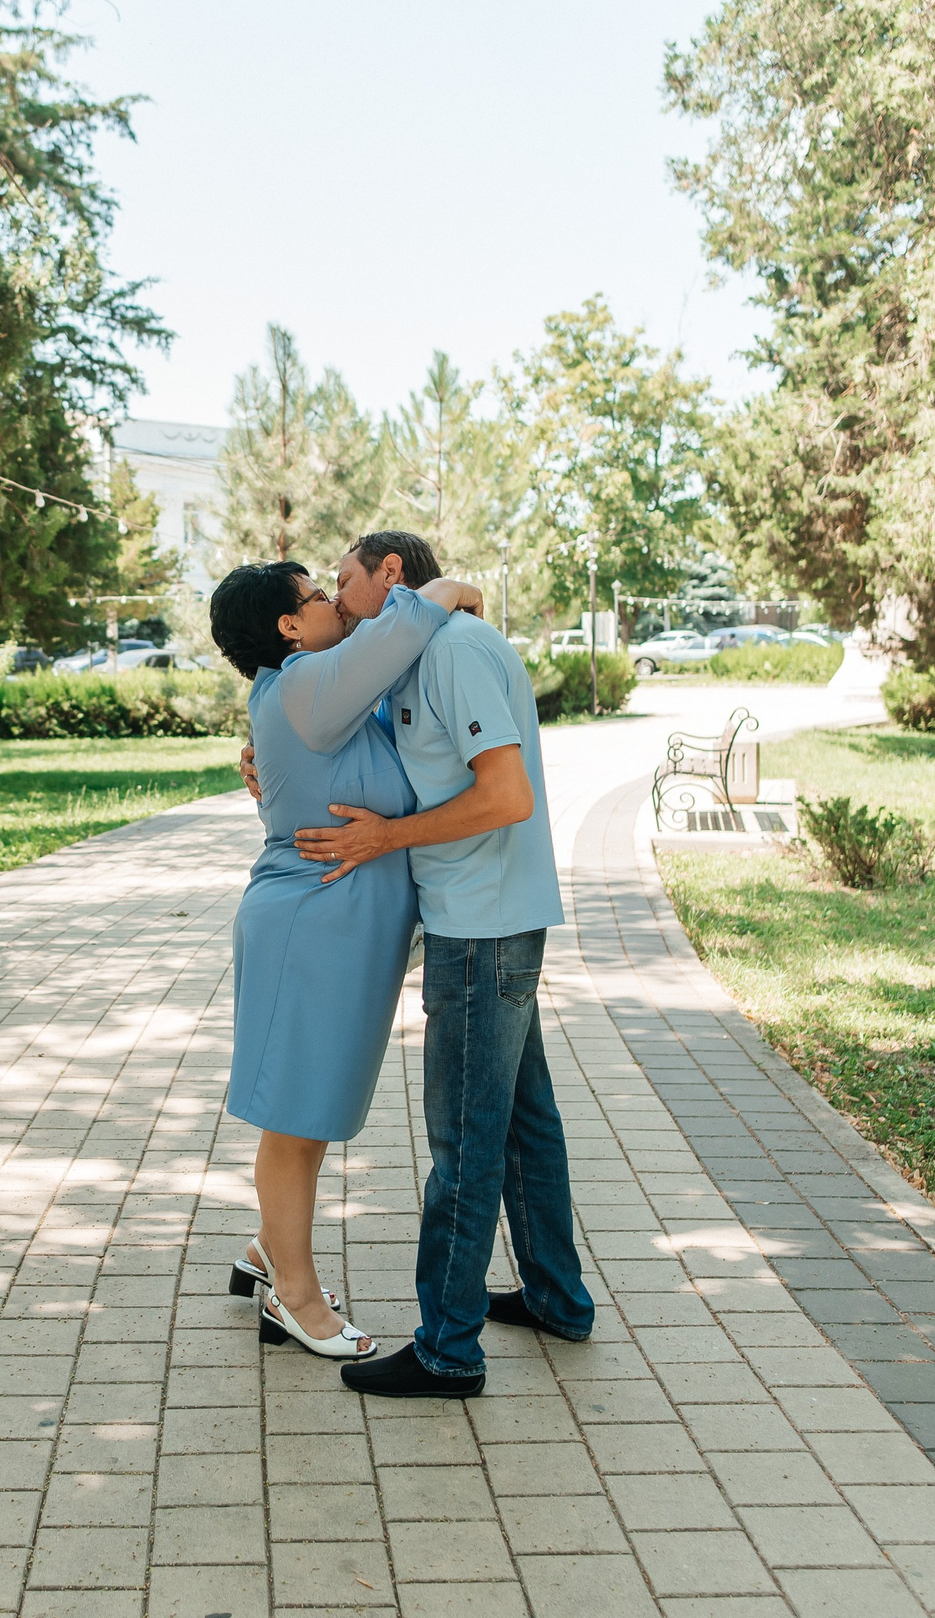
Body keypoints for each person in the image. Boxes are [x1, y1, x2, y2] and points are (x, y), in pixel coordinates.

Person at [276, 529, 594, 1399]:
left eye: (342, 580)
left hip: (484, 930)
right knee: (526, 1121)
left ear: (389, 576)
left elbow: (507, 795)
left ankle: (448, 1347)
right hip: (477, 922)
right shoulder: (414, 655)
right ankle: (558, 1299)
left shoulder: (454, 654)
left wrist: (386, 838)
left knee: (464, 1139)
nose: (335, 598)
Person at [208, 559, 481, 1359]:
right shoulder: (304, 683)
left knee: (312, 1111)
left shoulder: (314, 690)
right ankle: (293, 1297)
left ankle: (269, 1250)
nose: (331, 602)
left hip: (336, 929)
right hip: (309, 927)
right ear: (290, 627)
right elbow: (400, 629)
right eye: (317, 595)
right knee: (294, 1119)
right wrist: (445, 588)